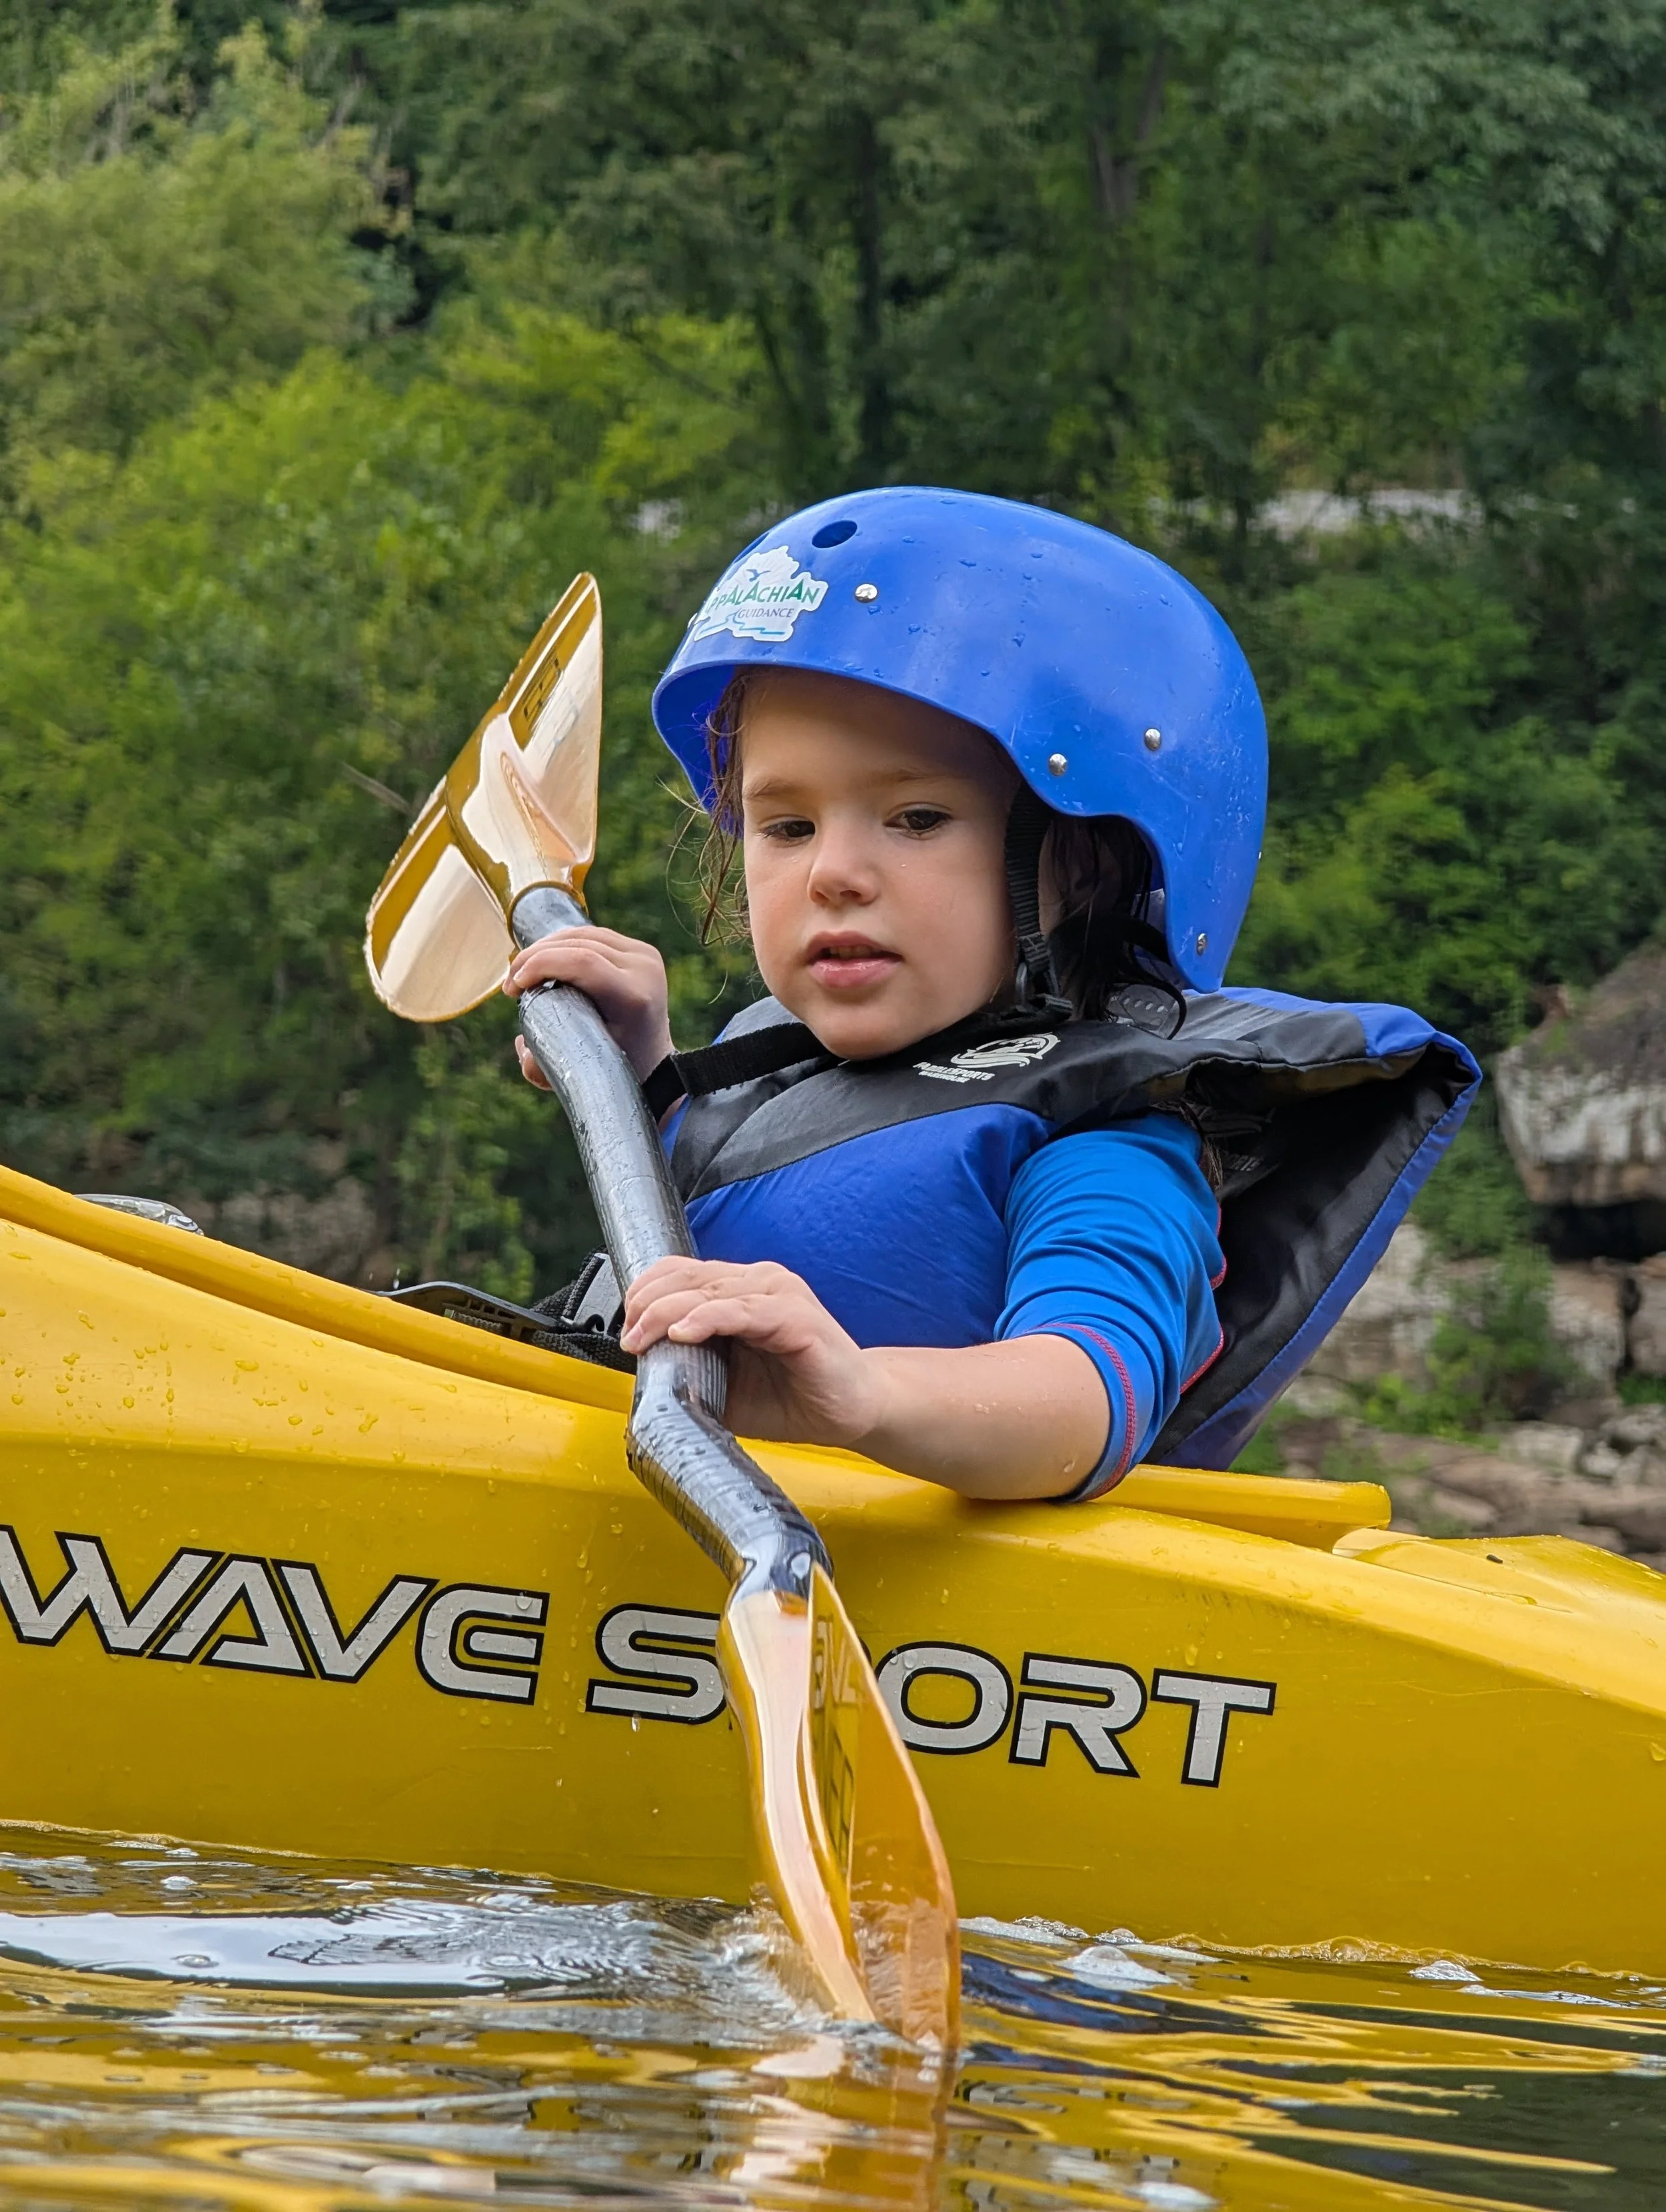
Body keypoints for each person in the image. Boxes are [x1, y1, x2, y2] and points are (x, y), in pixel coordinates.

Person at [506, 488, 1479, 1503]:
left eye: (917, 818)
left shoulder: (1104, 1148)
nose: (831, 872)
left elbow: (1085, 1395)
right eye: (786, 826)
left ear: (1093, 866)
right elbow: (718, 1222)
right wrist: (648, 1078)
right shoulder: (759, 1082)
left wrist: (866, 1393)